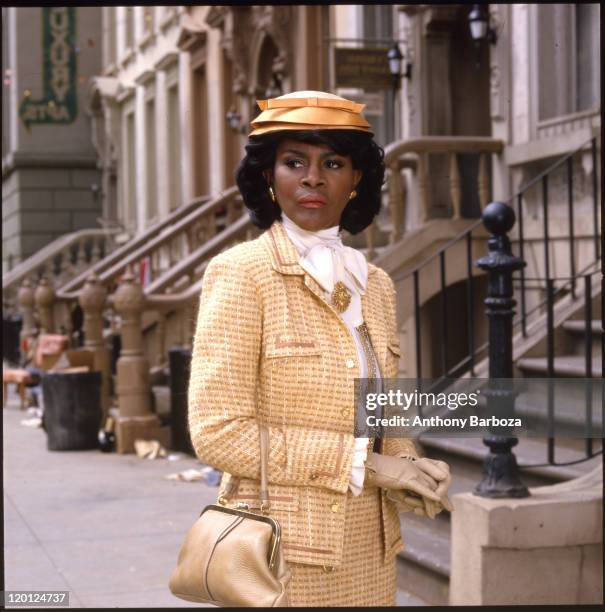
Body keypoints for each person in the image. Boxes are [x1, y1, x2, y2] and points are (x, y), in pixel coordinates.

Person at [188, 90, 453, 606]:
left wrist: (407, 463)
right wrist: (367, 465)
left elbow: (381, 402)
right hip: (280, 551)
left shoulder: (374, 283)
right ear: (270, 176)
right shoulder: (242, 274)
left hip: (372, 551)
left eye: (332, 162)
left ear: (356, 179)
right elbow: (218, 433)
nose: (313, 178)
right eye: (294, 162)